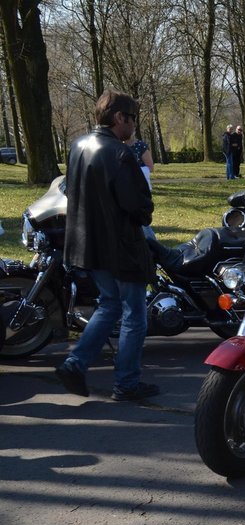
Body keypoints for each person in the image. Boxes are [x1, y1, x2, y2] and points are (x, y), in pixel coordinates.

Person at [55, 90, 158, 402]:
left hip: (89, 244)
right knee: (134, 316)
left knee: (110, 305)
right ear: (119, 118)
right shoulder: (119, 153)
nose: (134, 127)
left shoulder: (78, 145)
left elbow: (71, 190)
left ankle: (75, 362)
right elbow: (139, 206)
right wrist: (143, 210)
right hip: (121, 247)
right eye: (133, 119)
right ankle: (126, 383)